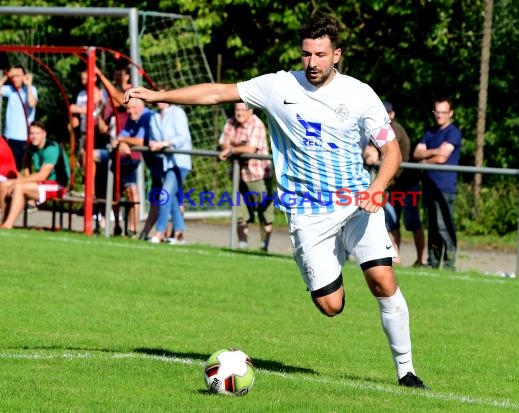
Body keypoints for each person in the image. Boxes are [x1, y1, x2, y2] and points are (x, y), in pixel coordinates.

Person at [124, 14, 428, 389]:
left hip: (356, 204)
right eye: (306, 54)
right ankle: (330, 269)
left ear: (337, 55)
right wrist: (158, 96)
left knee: (382, 279)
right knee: (331, 306)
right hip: (306, 213)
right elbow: (217, 92)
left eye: (320, 54)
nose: (312, 63)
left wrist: (377, 187)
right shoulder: (277, 86)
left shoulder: (360, 94)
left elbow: (392, 150)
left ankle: (407, 371)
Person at [363, 101, 425, 266]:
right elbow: (369, 152)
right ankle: (395, 256)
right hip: (394, 185)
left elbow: (383, 151)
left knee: (412, 223)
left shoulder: (393, 129)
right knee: (391, 222)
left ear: (392, 114)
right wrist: (371, 153)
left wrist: (374, 153)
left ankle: (421, 259)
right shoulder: (379, 129)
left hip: (407, 183)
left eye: (387, 113)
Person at [413, 97, 462, 271]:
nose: (439, 116)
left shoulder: (453, 132)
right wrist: (433, 152)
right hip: (428, 186)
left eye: (443, 112)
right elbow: (417, 153)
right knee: (432, 227)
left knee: (444, 225)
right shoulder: (430, 132)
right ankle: (433, 262)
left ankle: (449, 264)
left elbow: (443, 158)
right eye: (437, 112)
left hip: (445, 187)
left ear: (450, 113)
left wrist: (426, 159)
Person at [218, 102, 273, 251]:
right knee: (240, 212)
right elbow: (222, 143)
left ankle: (264, 247)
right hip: (238, 174)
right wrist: (234, 148)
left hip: (258, 174)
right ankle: (242, 246)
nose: (239, 113)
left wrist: (231, 149)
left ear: (251, 111)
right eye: (237, 109)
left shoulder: (257, 124)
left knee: (264, 212)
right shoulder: (230, 122)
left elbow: (250, 149)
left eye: (243, 110)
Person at [0, 121, 69, 229]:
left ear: (44, 134)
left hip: (57, 184)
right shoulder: (31, 147)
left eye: (37, 133)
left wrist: (18, 181)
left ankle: (8, 225)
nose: (34, 136)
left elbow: (42, 176)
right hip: (41, 183)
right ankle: (3, 220)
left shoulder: (51, 148)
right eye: (31, 133)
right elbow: (26, 164)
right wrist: (23, 177)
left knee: (18, 187)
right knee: (4, 185)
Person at [147, 99, 192, 244]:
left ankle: (159, 232)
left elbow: (182, 137)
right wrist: (153, 143)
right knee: (171, 199)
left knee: (164, 194)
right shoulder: (154, 116)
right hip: (166, 162)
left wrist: (164, 143)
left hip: (179, 161)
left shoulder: (177, 113)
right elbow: (154, 137)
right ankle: (179, 234)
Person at [111, 97, 155, 237]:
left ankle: (173, 233)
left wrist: (123, 141)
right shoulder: (132, 118)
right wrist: (121, 142)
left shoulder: (148, 116)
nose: (129, 111)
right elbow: (121, 136)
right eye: (127, 108)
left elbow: (141, 141)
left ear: (140, 107)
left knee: (169, 197)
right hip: (146, 161)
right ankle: (137, 230)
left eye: (132, 108)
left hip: (161, 161)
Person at [0, 65, 39, 171]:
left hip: (22, 138)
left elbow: (31, 103)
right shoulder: (10, 90)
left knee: (18, 168)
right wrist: (6, 77)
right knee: (5, 168)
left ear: (24, 76)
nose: (14, 78)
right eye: (13, 76)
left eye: (17, 76)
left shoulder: (30, 90)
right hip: (8, 136)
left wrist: (29, 85)